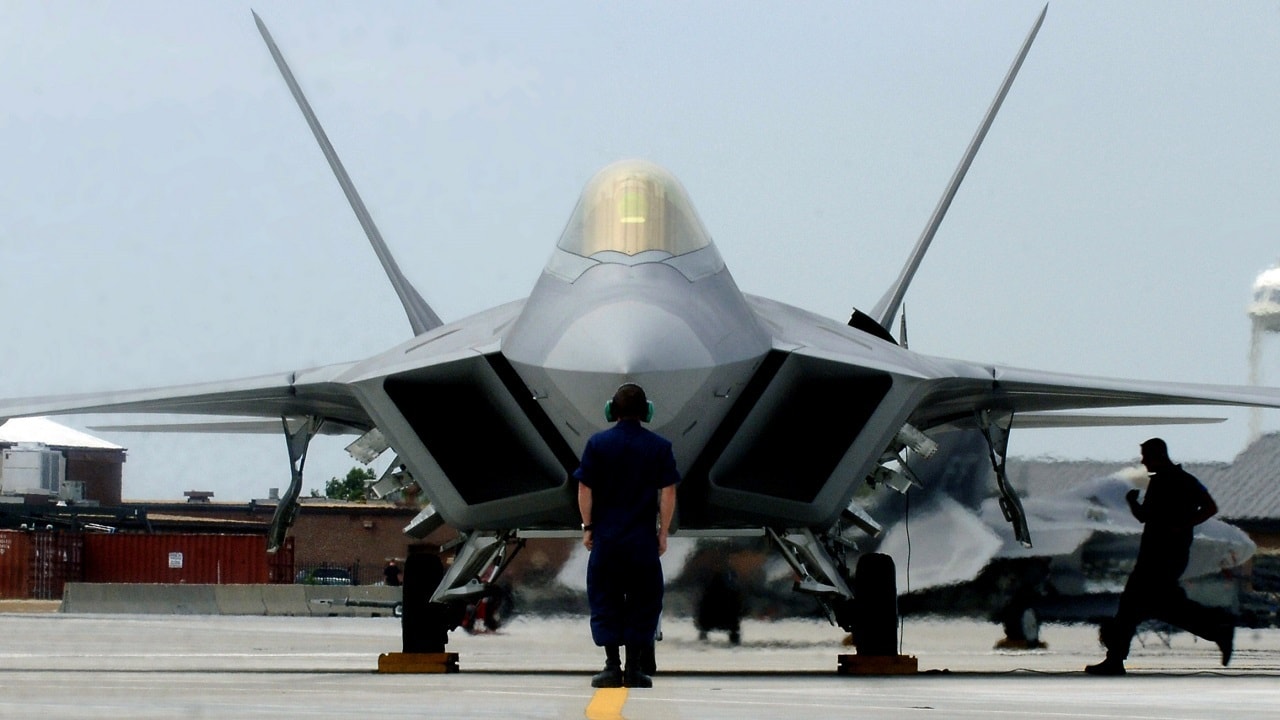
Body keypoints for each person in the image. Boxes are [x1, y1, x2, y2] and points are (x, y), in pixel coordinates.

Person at [1085, 438, 1235, 675]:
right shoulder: (1169, 481)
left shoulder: (1178, 481)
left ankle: (1219, 628)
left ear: (1157, 455)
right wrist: (1133, 503)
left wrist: (1183, 524)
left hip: (1164, 557)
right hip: (1157, 556)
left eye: (1146, 456)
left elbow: (1209, 508)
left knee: (1140, 605)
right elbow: (1146, 516)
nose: (1143, 461)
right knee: (1154, 606)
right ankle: (1218, 628)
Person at [575, 383, 679, 689]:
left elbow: (584, 488)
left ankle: (611, 667)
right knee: (644, 601)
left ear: (611, 410)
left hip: (607, 540)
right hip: (642, 541)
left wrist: (587, 528)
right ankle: (634, 669)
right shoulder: (660, 446)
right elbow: (668, 491)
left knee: (605, 599)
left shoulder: (597, 444)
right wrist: (663, 533)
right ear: (647, 412)